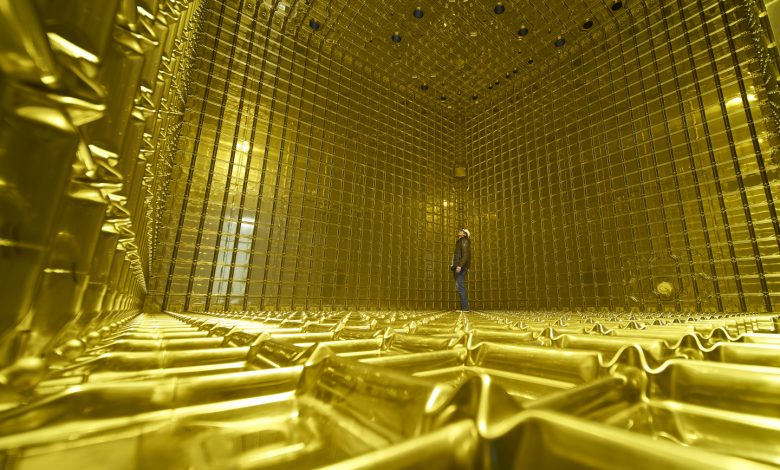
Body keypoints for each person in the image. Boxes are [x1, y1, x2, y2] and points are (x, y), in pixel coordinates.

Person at [451, 228, 471, 311]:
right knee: (459, 286)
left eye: (462, 230)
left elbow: (465, 255)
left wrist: (459, 265)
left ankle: (465, 308)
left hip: (461, 267)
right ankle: (464, 307)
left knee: (460, 286)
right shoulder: (460, 241)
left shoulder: (464, 241)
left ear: (465, 234)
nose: (459, 231)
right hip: (459, 266)